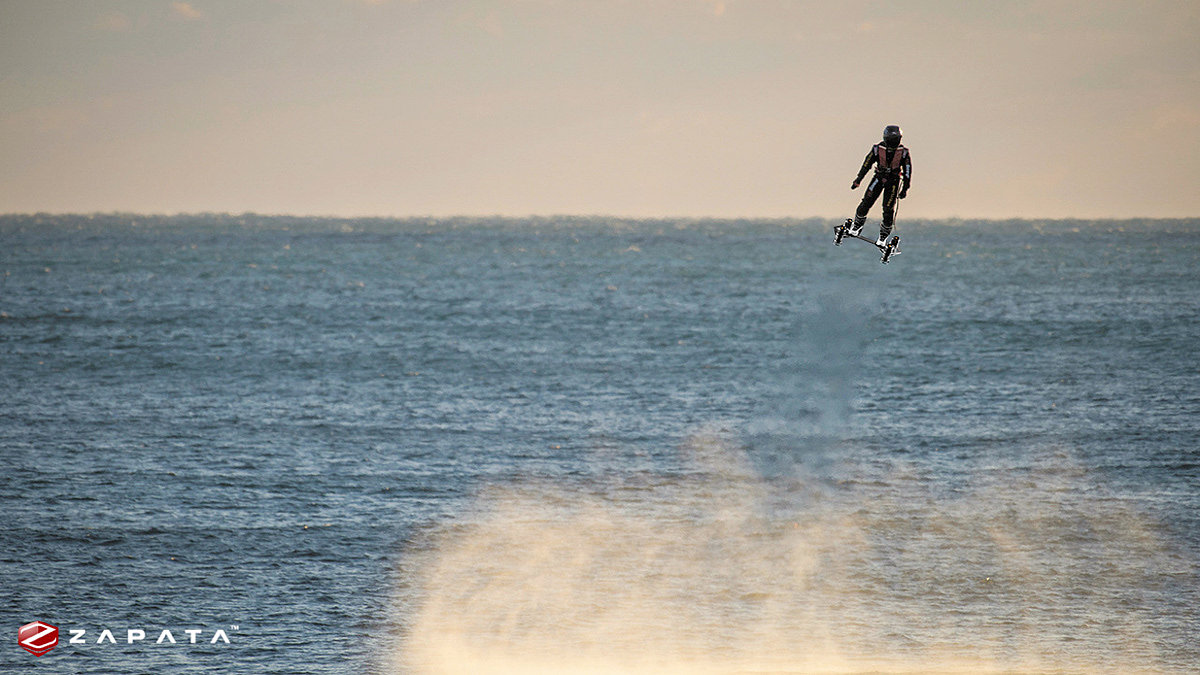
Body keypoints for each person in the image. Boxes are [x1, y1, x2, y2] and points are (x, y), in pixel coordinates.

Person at [848, 125, 912, 246]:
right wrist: (858, 180)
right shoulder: (877, 149)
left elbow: (908, 171)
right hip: (878, 179)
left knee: (888, 210)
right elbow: (866, 164)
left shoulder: (903, 153)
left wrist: (905, 188)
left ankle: (883, 237)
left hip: (893, 182)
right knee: (866, 202)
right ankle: (856, 226)